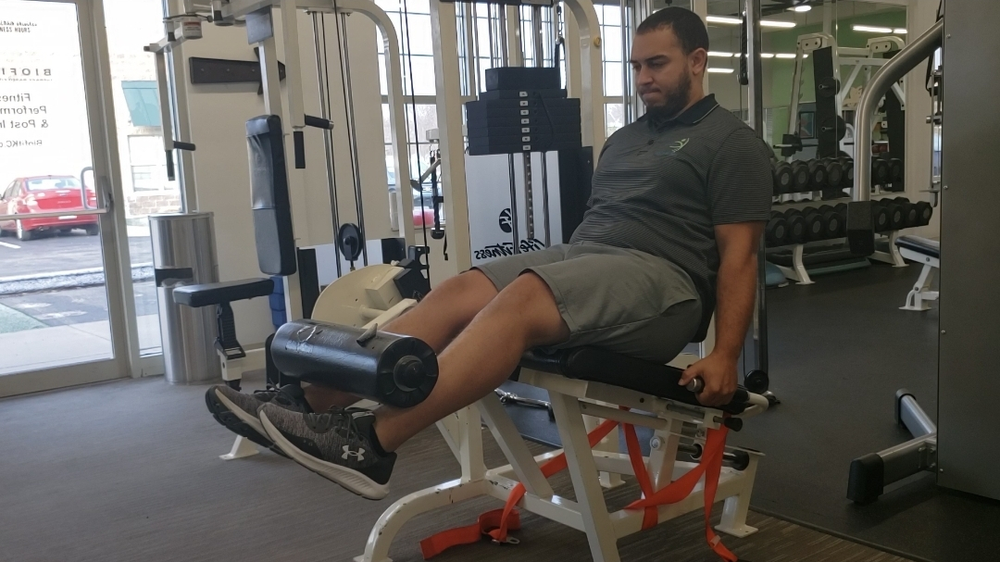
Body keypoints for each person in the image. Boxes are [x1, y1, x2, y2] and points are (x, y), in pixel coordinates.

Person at [204, 6, 773, 500]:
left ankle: (373, 443)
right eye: (637, 66)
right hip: (593, 257)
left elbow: (740, 255)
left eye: (658, 64)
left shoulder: (731, 142)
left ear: (697, 62)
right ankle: (310, 403)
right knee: (458, 289)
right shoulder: (626, 139)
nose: (644, 78)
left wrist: (726, 354)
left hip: (664, 285)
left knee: (523, 297)